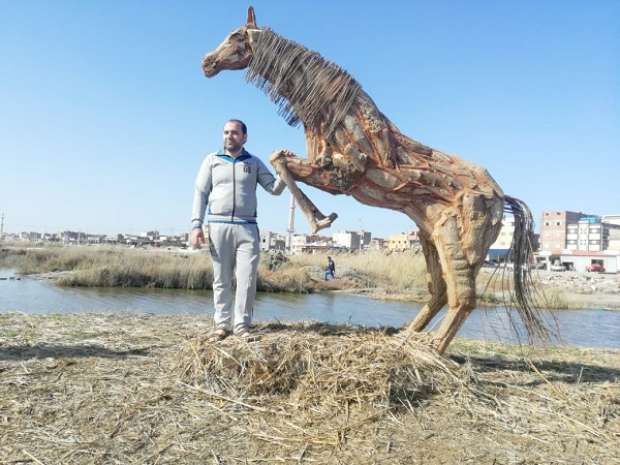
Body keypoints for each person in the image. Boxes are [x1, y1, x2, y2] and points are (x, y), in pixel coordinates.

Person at [191, 119, 286, 341]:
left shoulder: (253, 162)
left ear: (244, 137)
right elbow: (200, 193)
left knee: (247, 278)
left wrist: (284, 170)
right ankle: (222, 325)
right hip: (218, 226)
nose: (229, 136)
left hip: (247, 228)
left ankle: (242, 326)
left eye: (234, 133)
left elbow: (274, 189)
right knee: (221, 278)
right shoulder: (211, 160)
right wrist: (196, 225)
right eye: (226, 132)